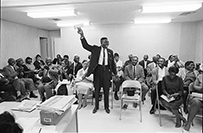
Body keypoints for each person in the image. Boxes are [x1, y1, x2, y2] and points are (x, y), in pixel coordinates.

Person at [77, 27, 117, 114]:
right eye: (105, 41)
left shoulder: (110, 51)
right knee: (97, 89)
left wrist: (115, 73)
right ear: (101, 42)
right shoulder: (95, 49)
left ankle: (106, 107)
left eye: (107, 41)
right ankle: (96, 107)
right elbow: (85, 46)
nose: (107, 43)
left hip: (106, 71)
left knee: (106, 90)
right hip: (97, 71)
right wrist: (82, 35)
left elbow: (112, 63)